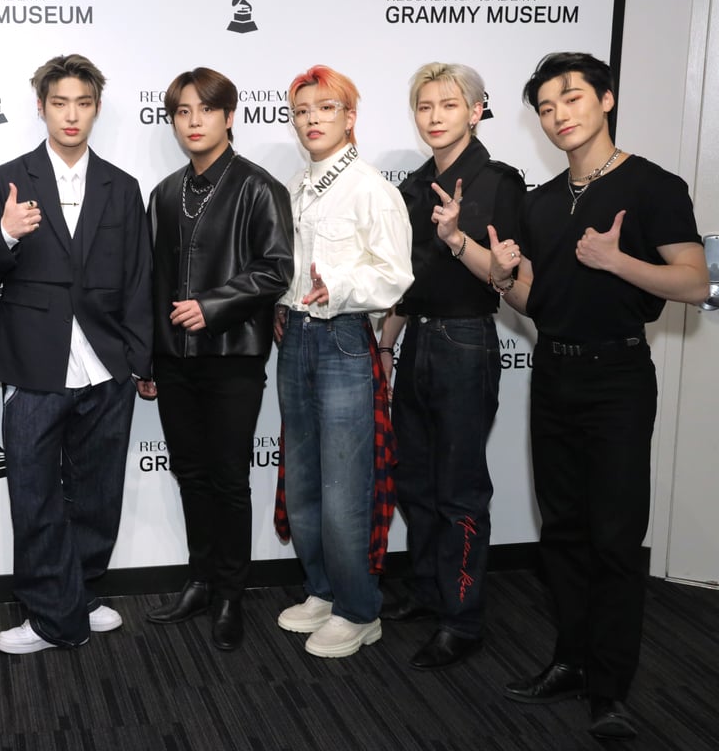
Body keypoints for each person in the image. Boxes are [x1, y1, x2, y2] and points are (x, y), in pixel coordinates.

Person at [491, 52, 706, 741]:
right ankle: (570, 661)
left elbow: (695, 282)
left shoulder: (654, 185)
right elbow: (540, 302)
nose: (559, 114)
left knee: (614, 538)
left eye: (572, 97)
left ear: (606, 99)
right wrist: (504, 279)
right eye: (546, 106)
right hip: (554, 373)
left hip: (618, 378)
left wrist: (618, 261)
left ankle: (610, 688)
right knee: (562, 533)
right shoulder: (541, 202)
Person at [0, 53, 152, 654]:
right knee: (34, 494)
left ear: (96, 108)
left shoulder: (122, 187)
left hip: (106, 363)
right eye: (59, 103)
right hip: (33, 360)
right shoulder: (8, 178)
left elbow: (139, 279)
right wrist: (5, 233)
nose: (71, 115)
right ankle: (51, 616)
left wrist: (141, 360)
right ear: (41, 107)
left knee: (98, 493)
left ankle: (82, 594)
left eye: (83, 103)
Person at [376, 63, 525, 670]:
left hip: (466, 339)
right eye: (425, 106)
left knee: (460, 488)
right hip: (417, 339)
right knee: (415, 480)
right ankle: (429, 590)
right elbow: (406, 285)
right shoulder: (413, 185)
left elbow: (505, 278)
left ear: (476, 110)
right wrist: (385, 348)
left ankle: (462, 621)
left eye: (448, 104)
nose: (435, 117)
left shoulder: (500, 181)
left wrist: (458, 238)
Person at [140, 67, 292, 651]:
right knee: (191, 474)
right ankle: (200, 580)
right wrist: (149, 357)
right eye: (182, 111)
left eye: (205, 109)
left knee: (228, 478)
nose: (193, 121)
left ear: (229, 117)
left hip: (233, 356)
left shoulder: (258, 186)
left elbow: (275, 269)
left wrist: (212, 306)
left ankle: (231, 592)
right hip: (174, 360)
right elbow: (152, 282)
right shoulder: (164, 192)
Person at [274, 65, 413, 658]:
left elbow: (396, 276)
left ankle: (359, 610)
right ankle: (324, 590)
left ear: (349, 117)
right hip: (296, 338)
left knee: (344, 485)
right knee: (302, 477)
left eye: (325, 108)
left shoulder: (372, 189)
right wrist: (281, 303)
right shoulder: (296, 186)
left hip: (344, 340)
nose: (312, 120)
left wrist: (339, 287)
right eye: (302, 111)